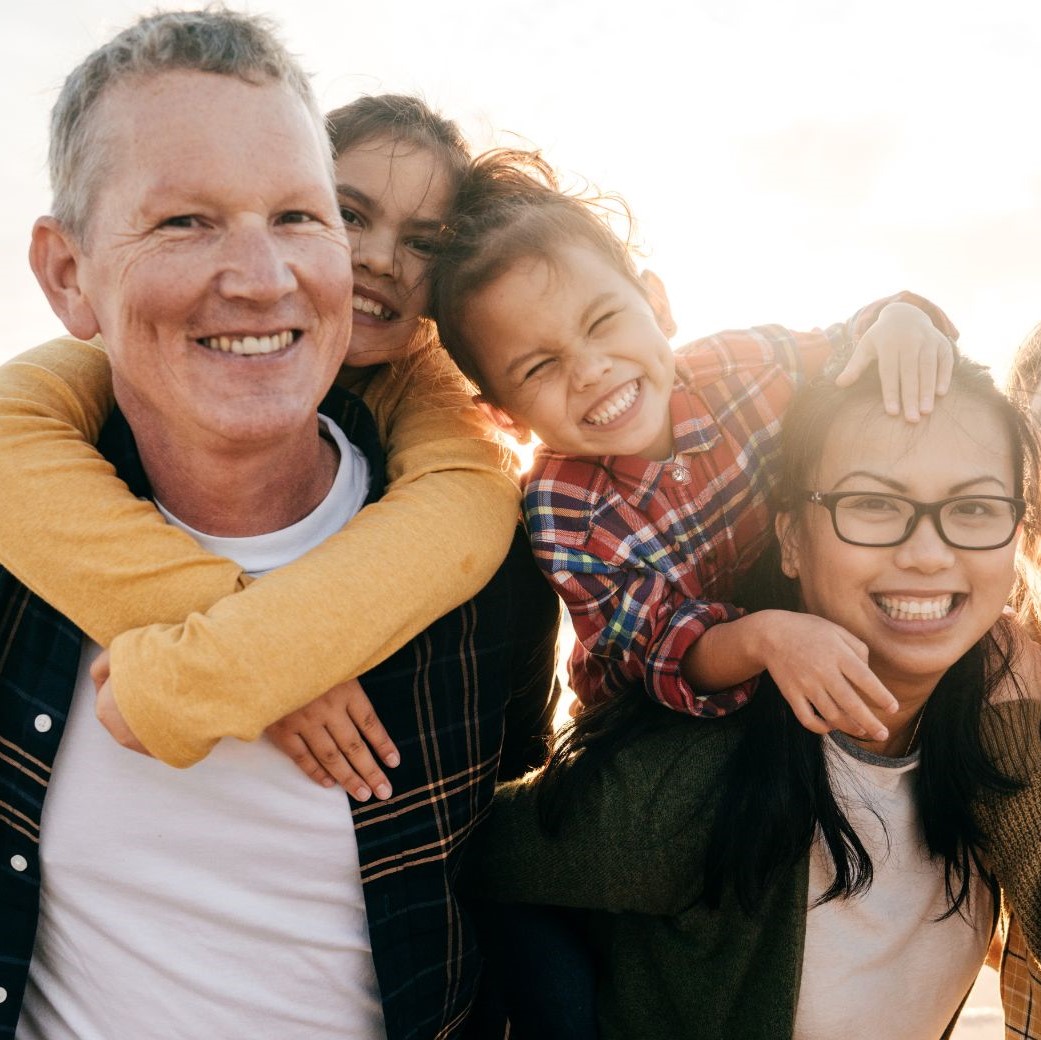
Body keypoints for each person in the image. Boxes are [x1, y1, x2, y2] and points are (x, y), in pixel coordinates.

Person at [0, 10, 558, 1039]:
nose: (262, 276)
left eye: (299, 217)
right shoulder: (21, 521)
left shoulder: (498, 562)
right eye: (184, 222)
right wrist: (248, 641)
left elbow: (530, 878)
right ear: (68, 274)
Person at [465, 354, 1041, 1039]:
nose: (925, 553)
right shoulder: (695, 782)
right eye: (872, 504)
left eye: (973, 508)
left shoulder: (988, 736)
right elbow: (476, 856)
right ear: (791, 539)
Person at [0, 93, 557, 794]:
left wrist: (233, 668)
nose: (383, 259)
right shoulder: (142, 349)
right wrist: (271, 667)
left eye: (425, 241)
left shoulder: (432, 392)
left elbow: (464, 511)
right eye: (348, 215)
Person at [430, 149, 956, 740]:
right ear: (507, 419)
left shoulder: (737, 366)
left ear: (657, 304)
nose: (590, 370)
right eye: (539, 367)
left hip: (802, 634)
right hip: (653, 719)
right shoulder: (563, 508)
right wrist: (766, 637)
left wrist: (901, 320)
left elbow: (848, 345)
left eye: (602, 322)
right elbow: (665, 649)